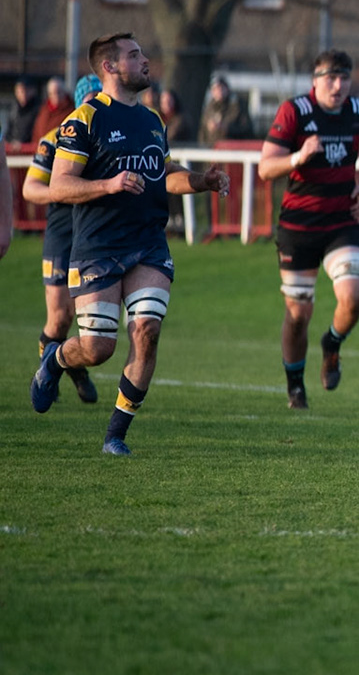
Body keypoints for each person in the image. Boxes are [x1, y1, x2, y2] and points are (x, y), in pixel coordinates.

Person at [30, 33, 231, 453]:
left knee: (146, 331)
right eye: (134, 55)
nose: (145, 60)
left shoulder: (153, 120)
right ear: (109, 67)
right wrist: (108, 184)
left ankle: (116, 435)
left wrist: (201, 182)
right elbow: (61, 185)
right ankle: (56, 359)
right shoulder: (84, 119)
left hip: (148, 244)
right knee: (98, 347)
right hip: (98, 247)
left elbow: (164, 172)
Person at [257, 50, 359, 408]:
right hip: (299, 227)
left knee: (356, 295)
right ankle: (295, 383)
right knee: (298, 315)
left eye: (344, 78)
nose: (338, 85)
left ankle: (332, 343)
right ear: (315, 80)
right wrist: (298, 156)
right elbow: (265, 168)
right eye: (331, 78)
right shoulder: (294, 111)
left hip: (341, 222)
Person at [19, 74, 105, 404]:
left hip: (96, 233)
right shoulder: (54, 139)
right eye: (91, 99)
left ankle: (73, 364)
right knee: (59, 317)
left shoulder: (110, 138)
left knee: (87, 320)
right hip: (62, 231)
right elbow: (30, 188)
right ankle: (54, 376)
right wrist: (67, 189)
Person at [199, 76, 253, 143]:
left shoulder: (237, 105)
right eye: (215, 89)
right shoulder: (209, 108)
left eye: (221, 88)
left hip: (233, 147)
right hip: (213, 147)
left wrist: (227, 128)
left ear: (227, 89)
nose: (219, 91)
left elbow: (246, 128)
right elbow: (202, 130)